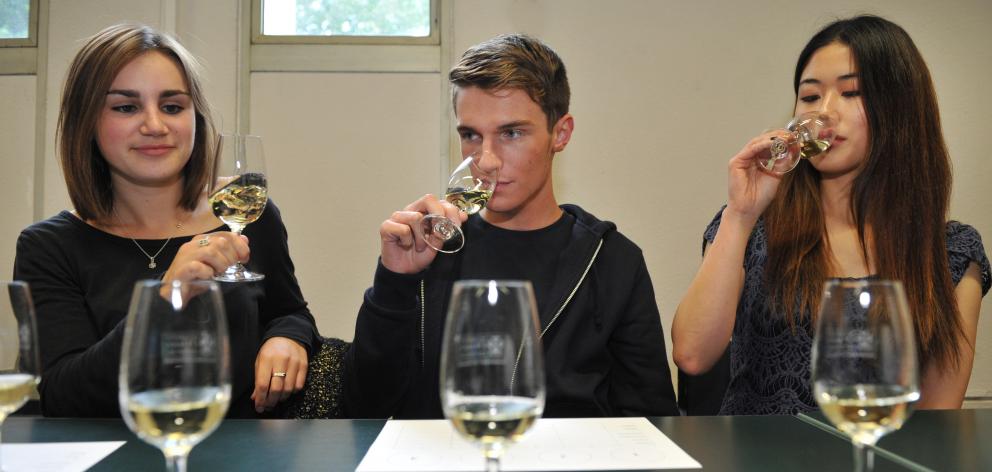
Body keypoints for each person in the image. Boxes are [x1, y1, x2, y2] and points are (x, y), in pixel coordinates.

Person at [343, 33, 679, 418]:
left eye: (511, 133)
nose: (486, 160)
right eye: (470, 135)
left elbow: (651, 424)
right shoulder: (429, 248)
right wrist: (393, 283)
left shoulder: (612, 261)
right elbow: (363, 407)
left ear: (561, 133)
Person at [672, 15, 990, 415]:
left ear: (901, 109)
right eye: (809, 97)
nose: (823, 113)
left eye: (851, 92)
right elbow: (692, 355)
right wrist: (740, 213)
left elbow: (937, 420)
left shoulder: (951, 252)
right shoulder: (754, 227)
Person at [13, 24, 319, 418]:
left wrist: (287, 338)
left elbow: (289, 310)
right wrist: (163, 298)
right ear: (85, 121)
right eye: (126, 107)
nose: (155, 125)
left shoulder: (244, 213)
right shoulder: (47, 247)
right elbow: (62, 396)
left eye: (172, 106)